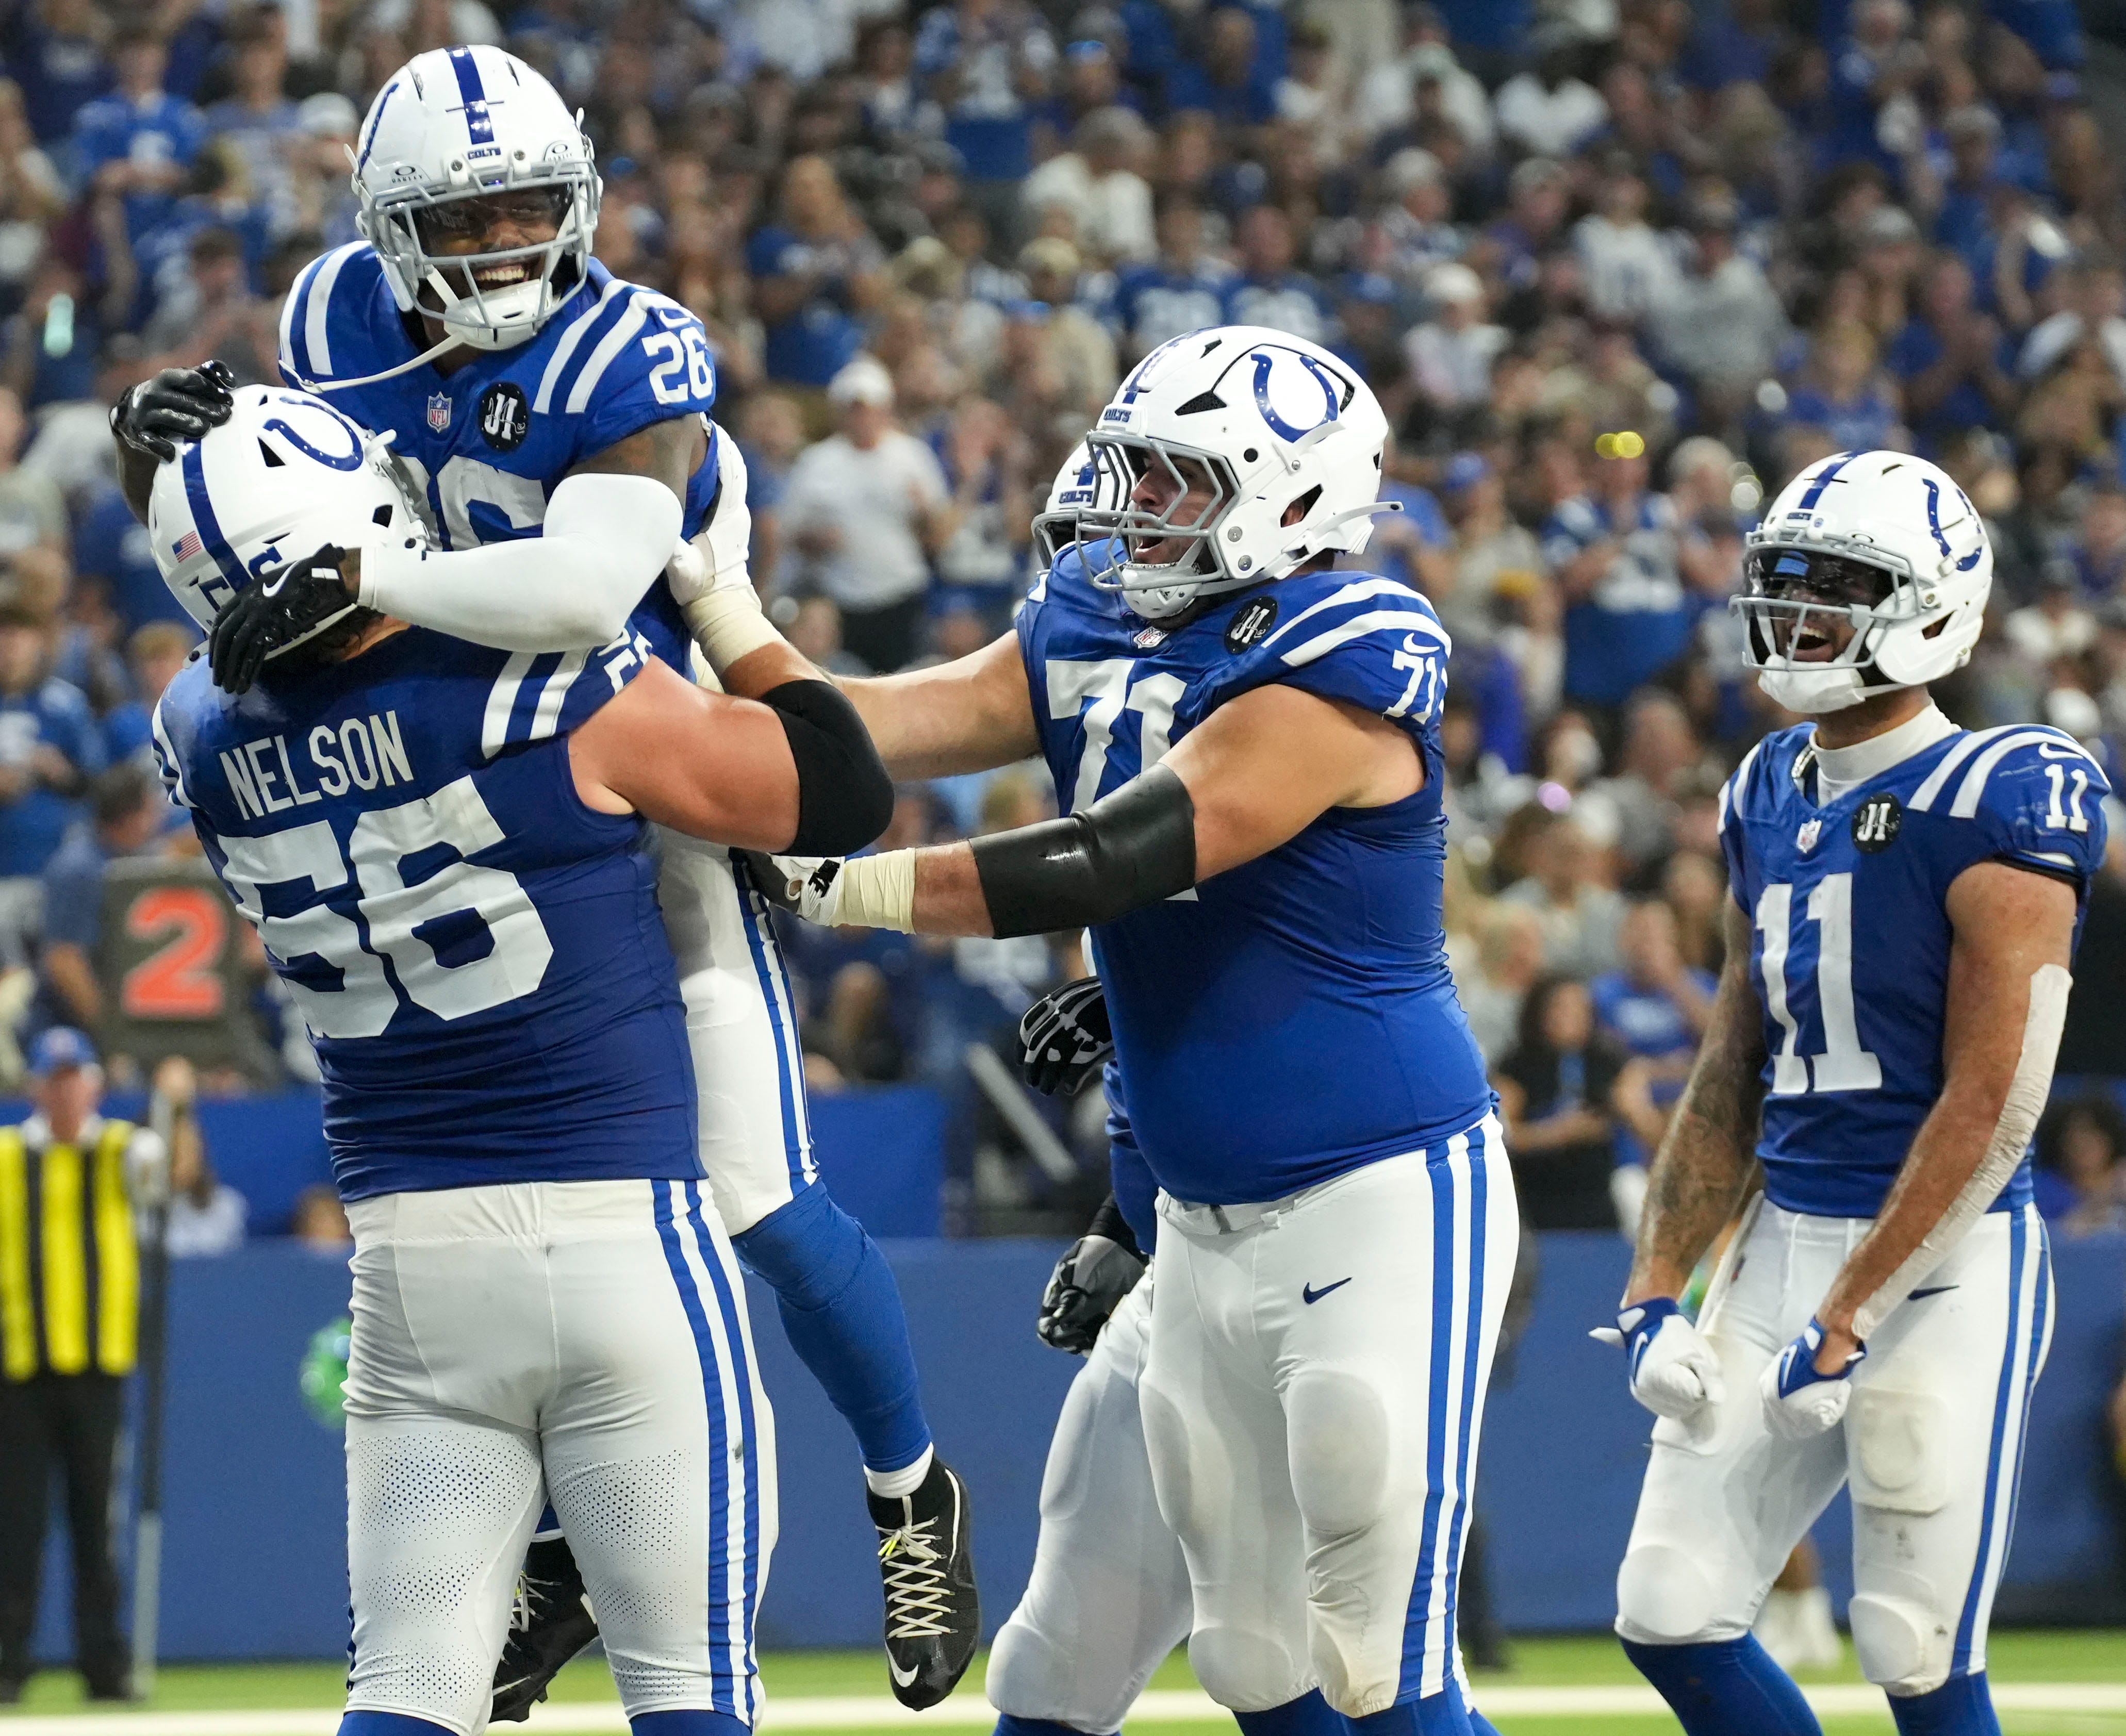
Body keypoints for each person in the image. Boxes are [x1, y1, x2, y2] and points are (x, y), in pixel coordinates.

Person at [106, 46, 978, 1714]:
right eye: (467, 216)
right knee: (642, 1252)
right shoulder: (333, 327)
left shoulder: (629, 350)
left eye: (531, 208)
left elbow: (582, 591)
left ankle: (908, 1485)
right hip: (478, 743)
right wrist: (195, 458)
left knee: (757, 1194)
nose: (509, 244)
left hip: (621, 741)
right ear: (387, 229)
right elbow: (255, 518)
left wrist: (370, 571)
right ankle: (581, 1544)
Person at [749, 326, 1515, 1736]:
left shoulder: (1347, 646)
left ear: (1290, 503)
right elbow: (879, 723)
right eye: (1135, 469)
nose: (1130, 507)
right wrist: (686, 678)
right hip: (1201, 1216)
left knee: (1368, 1662)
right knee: (1222, 1660)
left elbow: (1110, 859)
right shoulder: (1095, 614)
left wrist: (828, 881)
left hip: (1377, 1195)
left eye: (1174, 481)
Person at [146, 385, 896, 1735]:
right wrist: (726, 607)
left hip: (408, 1272)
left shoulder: (194, 735)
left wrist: (201, 481)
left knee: (408, 1694)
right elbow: (836, 791)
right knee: (689, 1697)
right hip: (620, 1242)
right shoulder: (532, 678)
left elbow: (259, 600)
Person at [1602, 449, 2107, 1735]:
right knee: (1666, 1608)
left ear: (1930, 608)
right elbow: (1730, 1060)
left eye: (1838, 587)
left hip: (1940, 1263)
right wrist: (1660, 1277)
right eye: (1788, 582)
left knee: (1908, 1641)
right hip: (1781, 1239)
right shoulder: (1763, 786)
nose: (1798, 615)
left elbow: (1997, 1096)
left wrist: (1852, 1307)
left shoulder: (2003, 786)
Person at [0, 1027, 168, 1703]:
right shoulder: (10, 1157)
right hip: (20, 1368)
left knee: (97, 1523)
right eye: (54, 1078)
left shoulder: (124, 1150)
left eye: (76, 1077)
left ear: (93, 1084)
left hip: (100, 1366)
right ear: (37, 1086)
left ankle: (105, 1665)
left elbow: (174, 1174)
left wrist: (173, 1105)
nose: (66, 1090)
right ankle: (8, 1663)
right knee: (18, 1523)